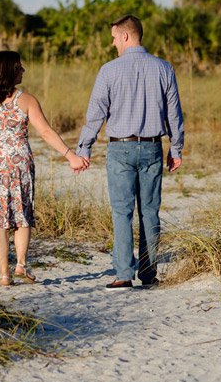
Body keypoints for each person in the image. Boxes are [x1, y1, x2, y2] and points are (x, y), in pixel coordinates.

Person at [0, 51, 89, 286]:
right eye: (19, 67)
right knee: (21, 214)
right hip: (16, 166)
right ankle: (20, 264)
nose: (23, 70)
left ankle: (4, 275)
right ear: (8, 71)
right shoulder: (26, 100)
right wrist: (71, 156)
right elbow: (46, 132)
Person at [76, 15, 184, 290]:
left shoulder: (108, 71)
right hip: (152, 147)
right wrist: (177, 147)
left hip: (120, 148)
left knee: (122, 211)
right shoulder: (164, 68)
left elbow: (95, 113)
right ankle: (148, 273)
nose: (112, 43)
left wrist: (84, 147)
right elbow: (174, 114)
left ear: (126, 36)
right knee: (150, 211)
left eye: (114, 37)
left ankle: (124, 273)